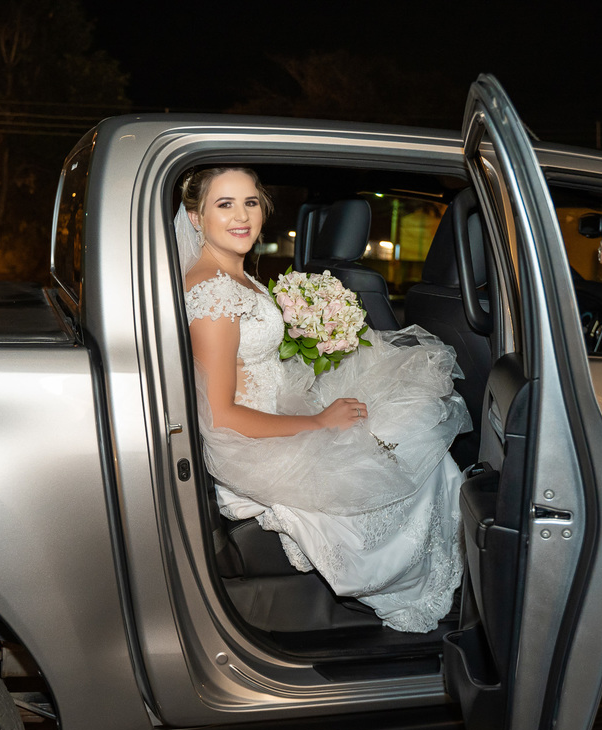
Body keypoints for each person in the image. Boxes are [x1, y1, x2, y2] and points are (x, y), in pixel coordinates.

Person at [178, 166, 470, 634]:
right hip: (248, 444)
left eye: (250, 202)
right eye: (224, 204)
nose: (242, 216)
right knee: (408, 446)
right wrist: (318, 423)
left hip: (273, 414)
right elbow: (222, 416)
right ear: (196, 217)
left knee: (406, 421)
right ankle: (447, 576)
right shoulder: (213, 295)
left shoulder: (236, 278)